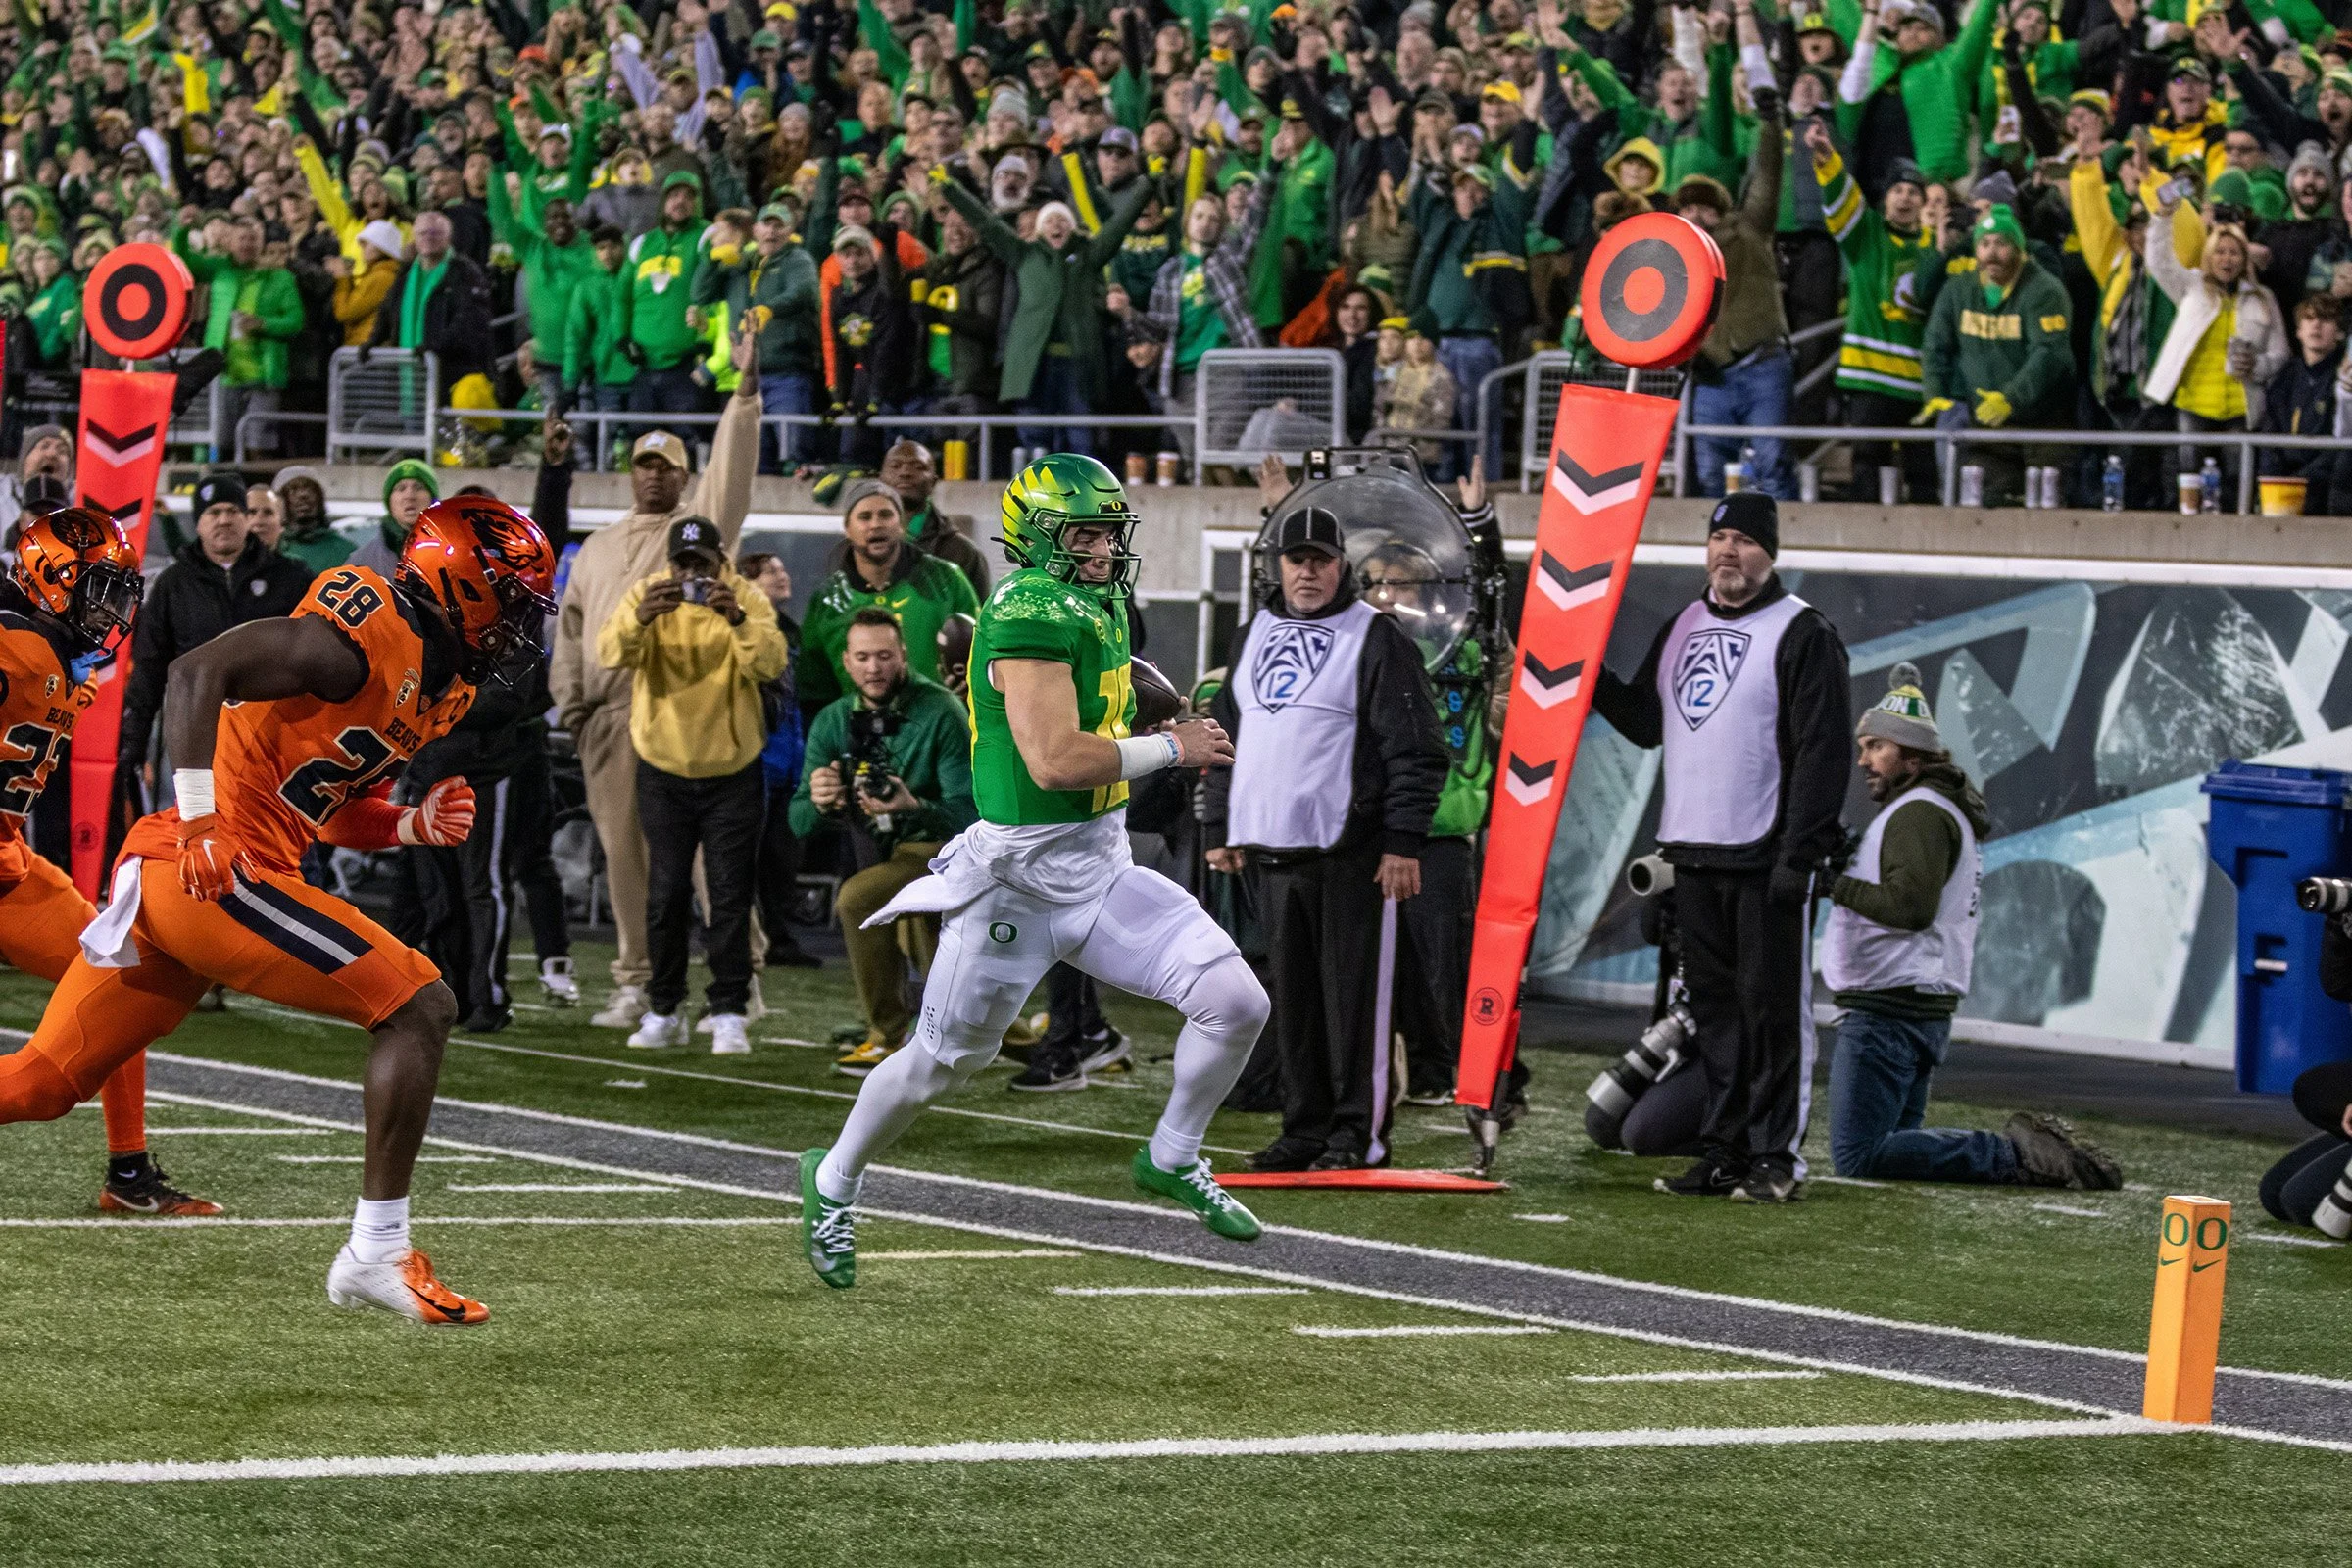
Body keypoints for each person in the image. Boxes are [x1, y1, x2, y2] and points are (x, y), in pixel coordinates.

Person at [0, 495, 558, 1327]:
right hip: (213, 871)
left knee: (44, 1084)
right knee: (420, 1005)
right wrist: (199, 822)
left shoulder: (443, 680)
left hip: (196, 874)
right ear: (464, 582)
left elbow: (323, 803)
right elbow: (197, 672)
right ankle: (375, 1253)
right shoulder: (363, 631)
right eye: (511, 597)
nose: (519, 622)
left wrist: (409, 823)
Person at [799, 455, 1271, 1289]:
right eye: (1082, 533)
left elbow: (1111, 693)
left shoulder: (1096, 599)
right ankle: (832, 1182)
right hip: (1017, 879)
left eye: (1106, 531)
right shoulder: (1026, 606)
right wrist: (1174, 745)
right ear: (1036, 539)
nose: (1101, 547)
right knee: (939, 1065)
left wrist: (1163, 706)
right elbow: (1054, 761)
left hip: (1100, 864)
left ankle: (1173, 1155)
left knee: (1235, 1002)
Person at [1592, 494, 1851, 1204]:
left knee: (1774, 1015)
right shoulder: (1684, 623)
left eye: (1743, 540)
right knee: (1718, 1016)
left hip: (1765, 857)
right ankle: (1723, 1150)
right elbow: (1649, 723)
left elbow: (1823, 753)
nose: (1728, 552)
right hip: (1693, 855)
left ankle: (1777, 1159)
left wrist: (1801, 857)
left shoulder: (1802, 633)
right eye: (1719, 539)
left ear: (1770, 552)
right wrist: (1589, 684)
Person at [1203, 505, 1446, 1170]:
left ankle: (1355, 1137)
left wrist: (1402, 840)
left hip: (1355, 854)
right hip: (1273, 853)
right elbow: (1228, 734)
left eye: (1320, 559)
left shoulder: (1378, 637)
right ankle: (1303, 1129)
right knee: (1298, 1005)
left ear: (1342, 565)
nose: (1308, 571)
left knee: (1355, 1006)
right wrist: (1222, 824)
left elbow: (1417, 748)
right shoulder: (1250, 634)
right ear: (1277, 565)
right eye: (1296, 559)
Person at [1824, 664, 2122, 1188]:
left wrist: (1834, 883)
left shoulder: (1916, 812)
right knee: (1892, 1163)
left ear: (1912, 758)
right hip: (1913, 1003)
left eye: (1875, 746)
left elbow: (1910, 906)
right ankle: (2020, 1158)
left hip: (1889, 1005)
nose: (1862, 760)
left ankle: (2015, 1155)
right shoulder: (1935, 808)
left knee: (1861, 1157)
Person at [0, 508, 220, 1216]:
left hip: (8, 867)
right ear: (51, 581)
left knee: (119, 976)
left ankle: (129, 1174)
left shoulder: (52, 648)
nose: (114, 610)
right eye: (100, 590)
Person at [551, 338, 761, 1031]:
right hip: (608, 716)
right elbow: (574, 630)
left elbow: (730, 473)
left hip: (680, 709)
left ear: (683, 476)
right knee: (626, 855)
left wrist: (744, 396)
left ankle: (741, 979)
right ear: (629, 473)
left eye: (666, 467)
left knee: (707, 865)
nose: (652, 478)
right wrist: (573, 706)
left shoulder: (698, 531)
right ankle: (636, 980)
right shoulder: (601, 545)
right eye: (643, 466)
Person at [597, 514, 788, 1054]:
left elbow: (771, 664)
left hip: (732, 769)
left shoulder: (745, 596)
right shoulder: (647, 594)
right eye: (682, 563)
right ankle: (664, 1008)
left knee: (728, 896)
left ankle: (728, 1008)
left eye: (700, 563)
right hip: (664, 766)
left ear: (719, 560)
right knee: (665, 895)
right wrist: (639, 619)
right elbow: (609, 655)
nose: (690, 575)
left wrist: (737, 619)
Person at [790, 608, 977, 1075]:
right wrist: (821, 799)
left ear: (904, 657)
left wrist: (914, 806)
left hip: (941, 853)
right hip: (882, 853)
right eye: (863, 657)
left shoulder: (940, 710)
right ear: (846, 662)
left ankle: (889, 1035)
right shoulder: (834, 720)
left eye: (884, 656)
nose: (874, 668)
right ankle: (982, 1037)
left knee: (858, 899)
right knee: (915, 932)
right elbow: (797, 822)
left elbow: (970, 815)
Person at [116, 471, 312, 850]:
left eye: (232, 510)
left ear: (245, 518)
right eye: (213, 512)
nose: (224, 519)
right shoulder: (174, 584)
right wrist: (133, 744)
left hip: (272, 738)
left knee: (280, 841)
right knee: (198, 836)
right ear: (199, 523)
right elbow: (150, 668)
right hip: (196, 737)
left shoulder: (291, 578)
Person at [1918, 205, 2074, 506]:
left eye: (2001, 244)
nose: (1992, 253)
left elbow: (2049, 353)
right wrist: (1935, 391)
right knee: (1981, 506)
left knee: (2045, 513)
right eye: (1984, 244)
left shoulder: (2044, 290)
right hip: (1988, 429)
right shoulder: (1959, 289)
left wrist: (2011, 398)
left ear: (2019, 249)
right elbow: (1936, 342)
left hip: (2043, 426)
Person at [1681, 115, 1791, 500]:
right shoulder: (1672, 261)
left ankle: (1781, 553)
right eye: (1688, 208)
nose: (1696, 214)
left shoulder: (1749, 229)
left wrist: (1770, 126)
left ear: (1721, 212)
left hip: (1763, 365)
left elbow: (1767, 179)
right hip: (1711, 378)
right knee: (1711, 473)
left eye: (1705, 208)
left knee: (1772, 464)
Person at [798, 479, 980, 713]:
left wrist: (968, 693)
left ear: (901, 525)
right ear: (847, 529)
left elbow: (984, 654)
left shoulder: (946, 581)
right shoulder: (827, 602)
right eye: (865, 517)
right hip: (860, 740)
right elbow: (814, 692)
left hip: (939, 732)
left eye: (885, 515)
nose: (876, 525)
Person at [738, 552, 818, 973]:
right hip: (755, 760)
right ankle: (744, 937)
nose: (782, 575)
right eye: (771, 571)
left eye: (781, 568)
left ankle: (780, 939)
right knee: (744, 860)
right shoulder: (743, 629)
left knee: (782, 859)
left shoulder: (789, 630)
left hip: (788, 760)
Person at [175, 212, 305, 462]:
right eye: (241, 239)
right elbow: (184, 263)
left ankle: (256, 495)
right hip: (223, 372)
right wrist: (182, 231)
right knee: (220, 441)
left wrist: (263, 324)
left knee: (258, 444)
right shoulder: (219, 269)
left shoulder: (281, 279)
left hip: (263, 374)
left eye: (252, 239)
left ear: (261, 243)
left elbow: (295, 321)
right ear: (230, 243)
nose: (247, 244)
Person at [879, 439, 992, 597]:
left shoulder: (963, 552)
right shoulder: (860, 545)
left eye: (918, 467)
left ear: (933, 482)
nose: (905, 473)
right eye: (895, 466)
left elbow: (978, 617)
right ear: (880, 479)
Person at [270, 466, 353, 575]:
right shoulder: (267, 550)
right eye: (293, 489)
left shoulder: (346, 551)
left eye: (310, 489)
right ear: (279, 502)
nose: (303, 495)